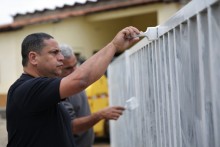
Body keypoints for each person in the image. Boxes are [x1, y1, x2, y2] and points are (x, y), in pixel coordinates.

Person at [6, 26, 140, 147]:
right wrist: (114, 46)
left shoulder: (42, 88)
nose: (61, 58)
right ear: (33, 58)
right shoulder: (27, 88)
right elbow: (81, 80)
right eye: (54, 52)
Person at [60, 44, 121, 147]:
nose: (75, 70)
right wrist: (100, 114)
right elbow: (72, 127)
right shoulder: (60, 92)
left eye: (76, 64)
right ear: (57, 68)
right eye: (68, 68)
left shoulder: (75, 81)